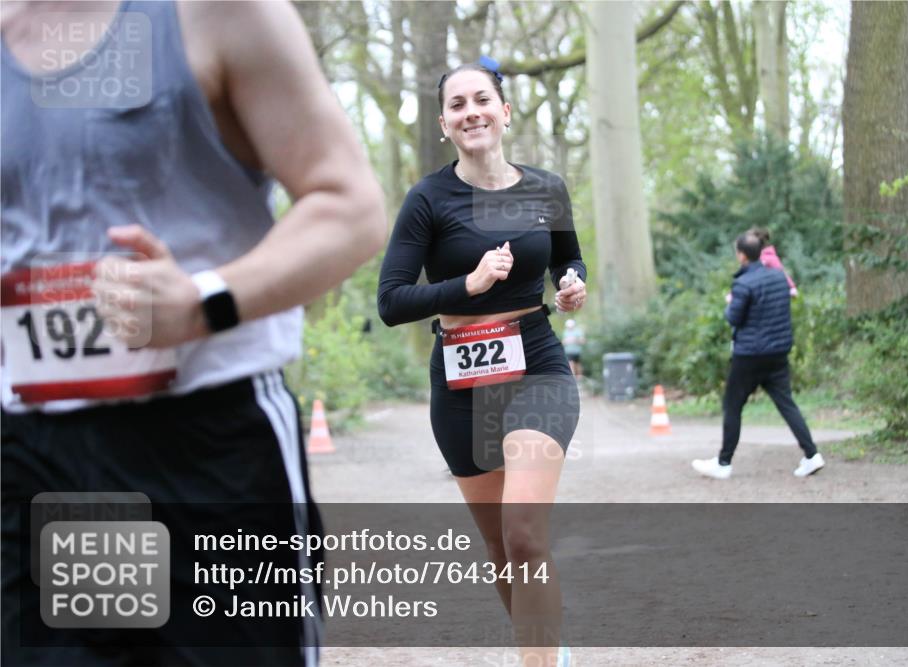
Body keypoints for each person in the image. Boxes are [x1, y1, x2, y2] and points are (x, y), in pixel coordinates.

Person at [1, 2, 385, 665]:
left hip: (207, 447)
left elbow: (349, 206)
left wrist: (205, 301)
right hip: (37, 457)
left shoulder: (215, 11)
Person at [377, 58, 586, 667]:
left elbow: (568, 259)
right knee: (501, 551)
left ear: (505, 109)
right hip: (461, 381)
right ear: (444, 122)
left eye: (481, 100)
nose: (471, 112)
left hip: (536, 365)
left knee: (524, 533)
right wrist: (465, 287)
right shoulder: (428, 199)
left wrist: (572, 283)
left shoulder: (546, 187)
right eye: (458, 105)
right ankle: (549, 648)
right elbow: (391, 301)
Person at [692, 232, 824, 480]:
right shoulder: (778, 277)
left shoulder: (743, 284)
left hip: (749, 355)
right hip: (778, 353)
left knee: (732, 405)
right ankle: (811, 455)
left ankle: (723, 463)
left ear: (741, 255)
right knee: (787, 404)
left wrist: (729, 304)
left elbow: (734, 318)